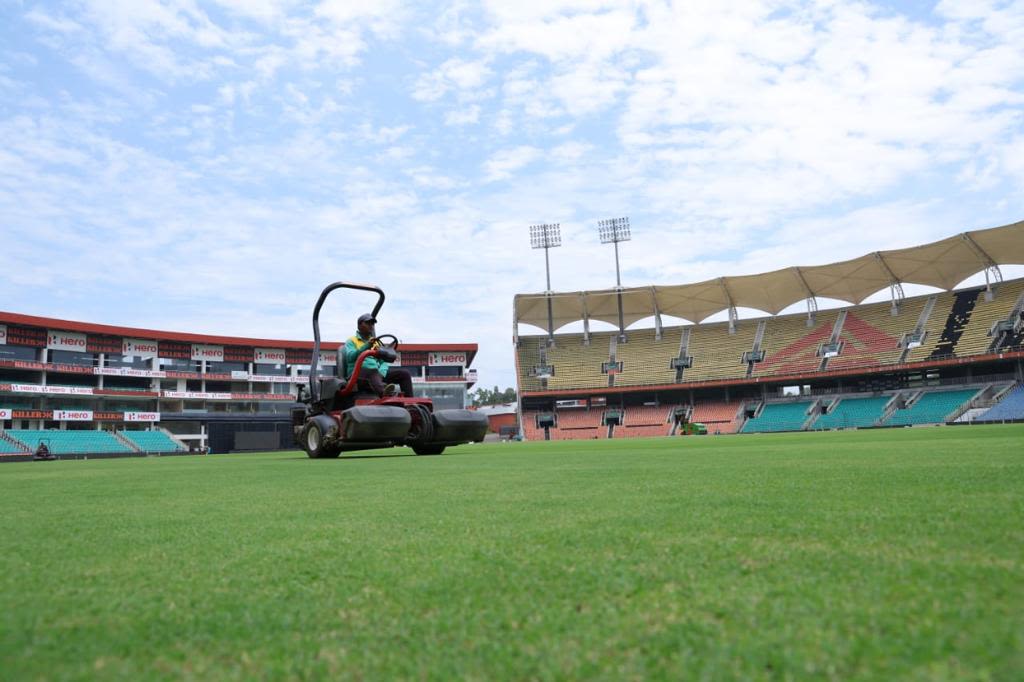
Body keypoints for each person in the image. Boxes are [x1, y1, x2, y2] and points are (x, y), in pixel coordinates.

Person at [343, 313, 414, 398]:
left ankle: (409, 402)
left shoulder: (376, 343)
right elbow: (350, 357)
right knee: (371, 370)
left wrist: (381, 372)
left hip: (376, 374)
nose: (371, 326)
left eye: (372, 324)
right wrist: (367, 346)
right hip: (357, 374)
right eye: (368, 323)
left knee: (404, 374)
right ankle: (384, 392)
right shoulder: (351, 341)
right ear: (359, 325)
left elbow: (383, 361)